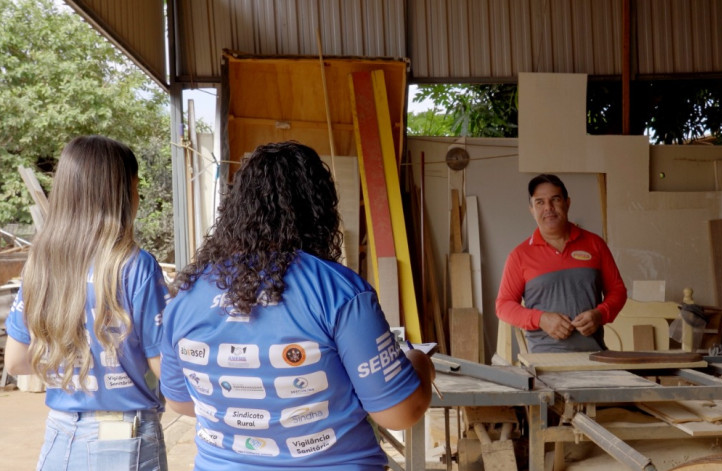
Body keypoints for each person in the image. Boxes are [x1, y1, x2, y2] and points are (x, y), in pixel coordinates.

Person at [159, 141, 434, 470]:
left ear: (234, 210)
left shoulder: (186, 294)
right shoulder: (338, 291)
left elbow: (182, 403)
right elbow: (399, 413)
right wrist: (420, 363)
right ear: (319, 209)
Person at [3, 136, 170, 470]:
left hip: (61, 434)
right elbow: (163, 367)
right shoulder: (136, 266)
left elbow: (17, 362)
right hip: (125, 438)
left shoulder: (40, 264)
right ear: (124, 195)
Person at [496, 174, 626, 353]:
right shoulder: (520, 255)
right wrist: (541, 319)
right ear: (532, 210)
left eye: (555, 199)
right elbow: (504, 305)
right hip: (545, 362)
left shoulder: (595, 244)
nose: (548, 208)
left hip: (594, 357)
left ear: (567, 203)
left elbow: (617, 290)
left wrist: (600, 314)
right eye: (540, 202)